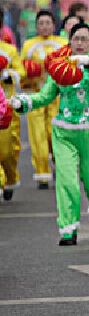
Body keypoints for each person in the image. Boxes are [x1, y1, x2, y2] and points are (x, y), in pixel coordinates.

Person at [11, 23, 89, 245]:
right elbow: (45, 96)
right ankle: (68, 230)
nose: (79, 43)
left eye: (84, 39)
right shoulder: (61, 68)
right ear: (69, 42)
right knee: (66, 182)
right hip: (64, 132)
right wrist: (24, 102)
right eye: (75, 39)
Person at [20, 10, 68, 188]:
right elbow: (21, 69)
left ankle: (60, 166)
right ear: (36, 25)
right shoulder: (29, 45)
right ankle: (42, 173)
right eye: (41, 23)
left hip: (57, 97)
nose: (45, 26)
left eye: (48, 22)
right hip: (36, 96)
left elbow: (70, 69)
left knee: (54, 134)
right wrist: (28, 74)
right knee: (37, 136)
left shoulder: (63, 44)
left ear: (54, 25)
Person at [0, 35, 25, 199]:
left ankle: (10, 179)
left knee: (6, 152)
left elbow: (21, 72)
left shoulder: (9, 50)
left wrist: (7, 75)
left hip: (5, 107)